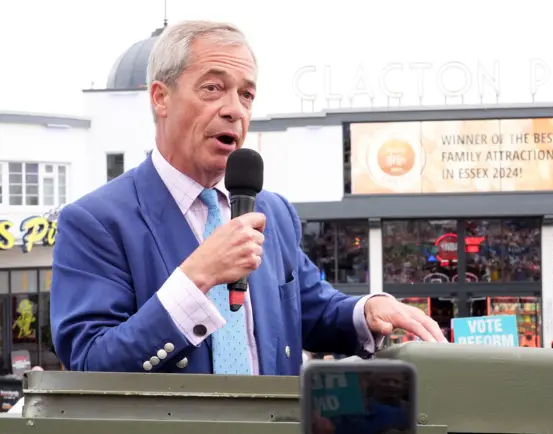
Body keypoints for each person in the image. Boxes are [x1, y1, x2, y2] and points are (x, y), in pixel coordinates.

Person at [50, 20, 446, 376]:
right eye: (213, 88)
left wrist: (367, 311)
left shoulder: (270, 210)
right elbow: (90, 360)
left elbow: (312, 309)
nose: (234, 110)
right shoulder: (96, 221)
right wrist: (195, 278)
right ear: (160, 98)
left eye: (247, 95)